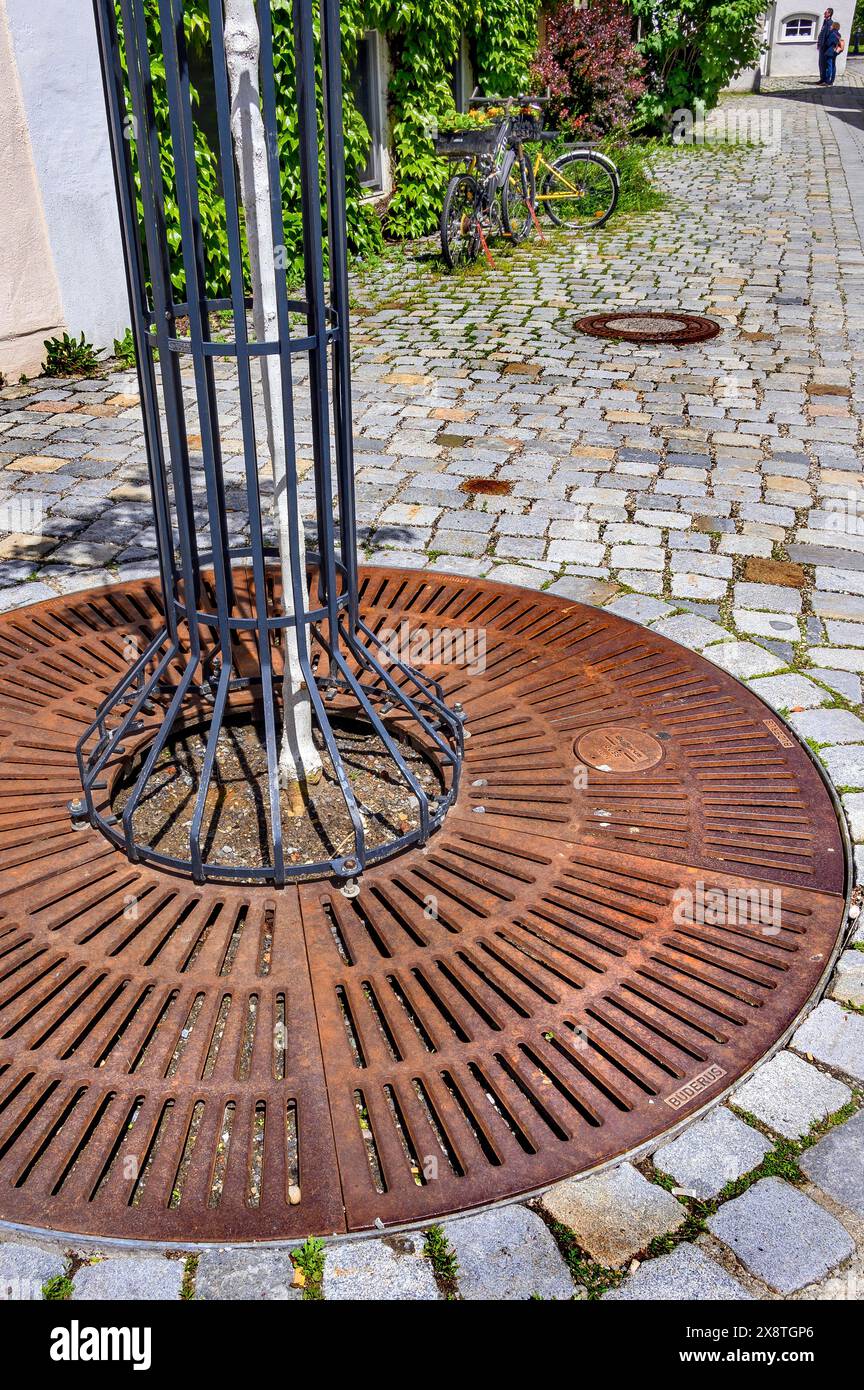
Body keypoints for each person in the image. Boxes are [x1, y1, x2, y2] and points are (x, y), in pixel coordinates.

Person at [818, 7, 835, 83]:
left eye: (826, 12)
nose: (824, 13)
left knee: (827, 65)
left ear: (829, 14)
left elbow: (829, 36)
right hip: (822, 46)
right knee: (821, 64)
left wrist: (826, 45)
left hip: (826, 47)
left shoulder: (830, 23)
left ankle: (827, 80)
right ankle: (822, 78)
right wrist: (819, 43)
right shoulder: (825, 22)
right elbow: (822, 33)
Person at [825, 21, 844, 85]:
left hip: (830, 51)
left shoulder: (832, 34)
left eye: (832, 25)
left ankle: (828, 81)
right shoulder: (838, 34)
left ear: (834, 26)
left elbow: (828, 43)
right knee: (833, 65)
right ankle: (832, 80)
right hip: (835, 51)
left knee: (829, 66)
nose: (830, 26)